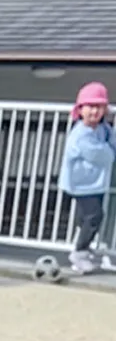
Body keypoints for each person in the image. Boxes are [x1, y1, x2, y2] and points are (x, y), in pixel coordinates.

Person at [59, 81, 116, 274]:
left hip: (95, 184)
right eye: (90, 107)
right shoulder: (80, 134)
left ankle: (83, 247)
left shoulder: (103, 128)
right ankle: (80, 252)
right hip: (81, 184)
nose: (95, 112)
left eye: (99, 107)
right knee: (94, 216)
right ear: (80, 110)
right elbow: (103, 155)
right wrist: (109, 149)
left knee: (85, 218)